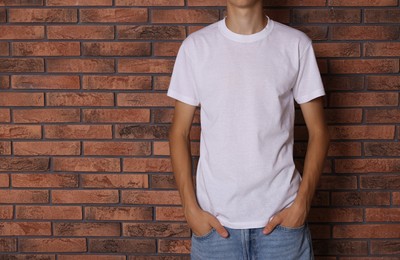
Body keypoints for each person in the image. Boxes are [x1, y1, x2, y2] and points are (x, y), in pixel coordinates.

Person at [167, 0, 330, 259]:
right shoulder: (196, 47)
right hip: (215, 229)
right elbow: (178, 133)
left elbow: (319, 132)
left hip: (282, 227)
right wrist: (190, 210)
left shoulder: (295, 44)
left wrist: (302, 205)